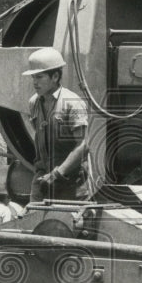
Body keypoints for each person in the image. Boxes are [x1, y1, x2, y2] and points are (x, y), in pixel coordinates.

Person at [23, 48, 92, 203]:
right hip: (42, 180)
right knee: (36, 223)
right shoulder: (34, 102)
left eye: (39, 77)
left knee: (66, 225)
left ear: (55, 76)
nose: (35, 82)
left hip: (70, 183)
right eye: (33, 77)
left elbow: (83, 145)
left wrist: (58, 174)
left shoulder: (71, 103)